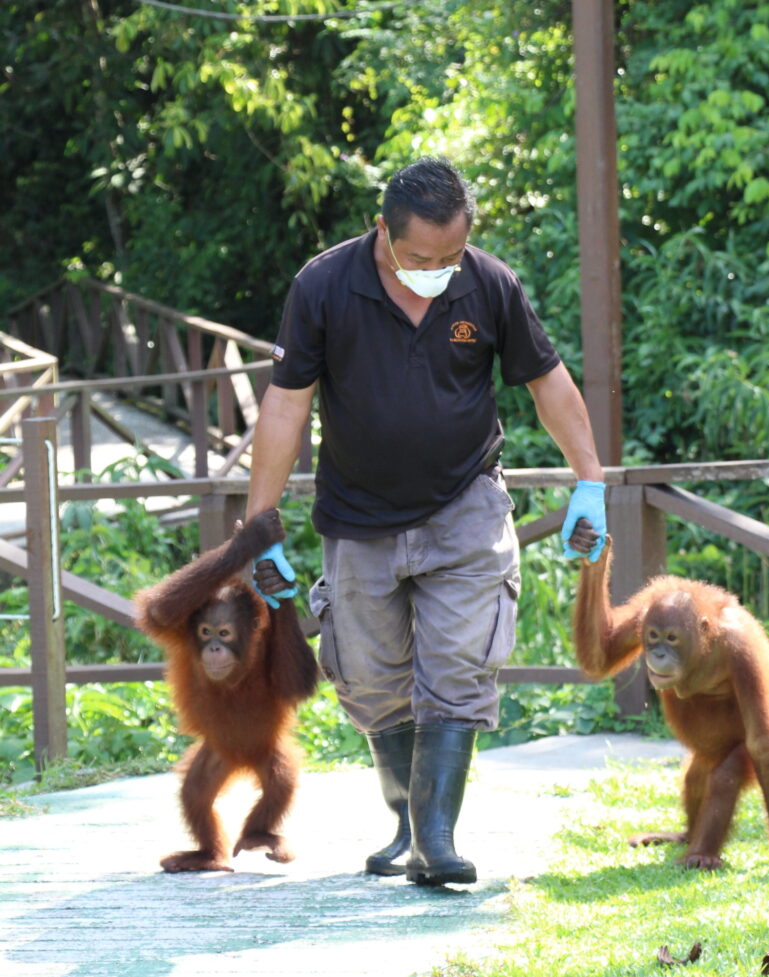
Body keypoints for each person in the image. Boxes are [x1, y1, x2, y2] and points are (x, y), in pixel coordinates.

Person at [246, 156, 607, 886]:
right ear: (383, 229)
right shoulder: (323, 286)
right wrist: (260, 521)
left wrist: (590, 481)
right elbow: (287, 403)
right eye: (419, 258)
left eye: (450, 256)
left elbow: (548, 380)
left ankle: (437, 841)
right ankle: (408, 823)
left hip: (465, 505)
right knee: (372, 678)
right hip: (357, 515)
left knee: (459, 665)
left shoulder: (488, 282)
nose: (437, 270)